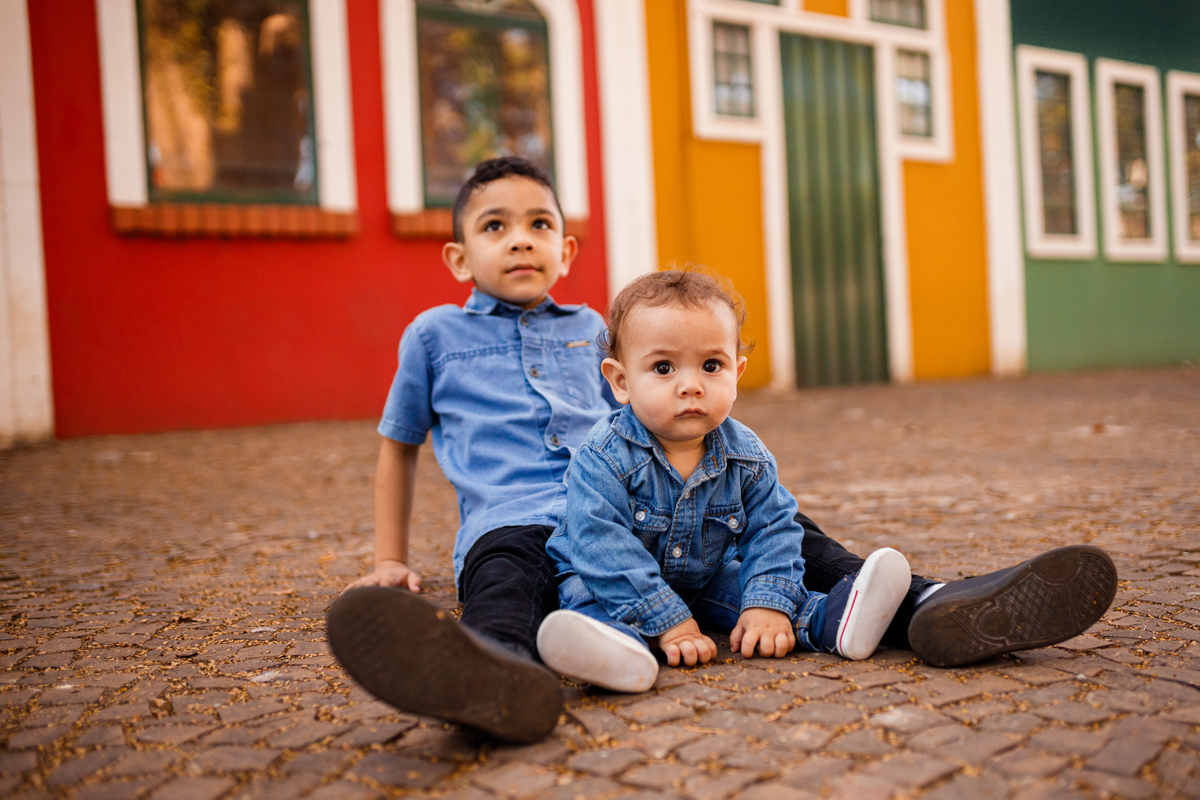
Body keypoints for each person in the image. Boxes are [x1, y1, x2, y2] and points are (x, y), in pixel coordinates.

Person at [327, 157, 1117, 742]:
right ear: (460, 257)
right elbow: (398, 447)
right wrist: (390, 556)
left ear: (567, 252)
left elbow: (670, 400)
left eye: (540, 225)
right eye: (494, 226)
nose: (520, 240)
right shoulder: (433, 336)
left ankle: (935, 607)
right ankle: (492, 673)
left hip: (653, 495)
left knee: (793, 533)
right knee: (505, 576)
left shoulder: (597, 328)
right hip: (520, 514)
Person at [537, 270, 917, 692]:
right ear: (621, 382)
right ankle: (615, 652)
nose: (691, 386)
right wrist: (670, 622)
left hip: (701, 577)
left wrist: (766, 605)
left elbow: (773, 530)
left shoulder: (746, 456)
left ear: (736, 373)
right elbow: (600, 546)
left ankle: (834, 622)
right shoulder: (604, 455)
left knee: (752, 589)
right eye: (663, 367)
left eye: (711, 366)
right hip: (605, 580)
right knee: (589, 604)